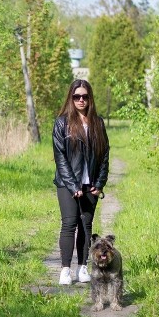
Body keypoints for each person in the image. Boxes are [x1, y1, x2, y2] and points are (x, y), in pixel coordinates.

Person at [52, 79, 110, 285]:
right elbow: (60, 158)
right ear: (71, 98)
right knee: (69, 224)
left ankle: (82, 268)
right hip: (67, 184)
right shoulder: (62, 123)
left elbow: (104, 156)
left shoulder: (98, 123)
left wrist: (100, 183)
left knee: (86, 225)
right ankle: (65, 270)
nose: (81, 100)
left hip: (90, 185)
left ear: (90, 98)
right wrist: (72, 185)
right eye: (77, 96)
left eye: (85, 96)